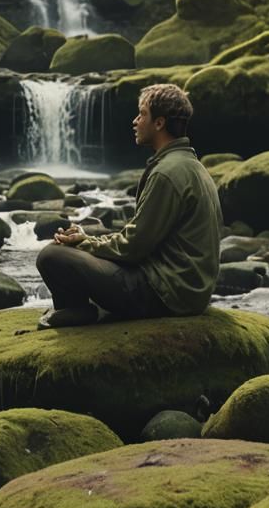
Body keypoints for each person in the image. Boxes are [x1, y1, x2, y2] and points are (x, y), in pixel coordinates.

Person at [35, 83, 222, 329]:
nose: (135, 121)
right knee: (74, 251)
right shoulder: (193, 166)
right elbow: (142, 237)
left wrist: (85, 244)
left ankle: (77, 310)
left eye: (142, 114)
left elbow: (134, 247)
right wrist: (87, 239)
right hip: (188, 291)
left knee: (52, 255)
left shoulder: (167, 173)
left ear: (159, 123)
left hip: (166, 294)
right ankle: (77, 309)